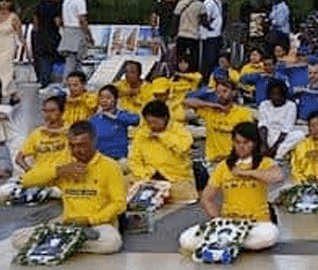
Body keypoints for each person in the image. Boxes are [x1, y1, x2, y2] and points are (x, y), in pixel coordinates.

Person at [12, 121, 127, 255]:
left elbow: (119, 204)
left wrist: (90, 220)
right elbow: (27, 181)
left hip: (98, 226)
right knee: (17, 239)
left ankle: (63, 242)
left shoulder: (110, 166)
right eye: (73, 146)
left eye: (83, 145)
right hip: (68, 224)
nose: (79, 150)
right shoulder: (65, 165)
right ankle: (72, 241)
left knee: (112, 242)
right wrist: (59, 171)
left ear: (94, 141)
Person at [179, 122, 283, 256]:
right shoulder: (224, 166)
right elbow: (207, 198)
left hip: (256, 224)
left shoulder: (265, 163)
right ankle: (229, 241)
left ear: (255, 143)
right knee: (186, 240)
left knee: (269, 235)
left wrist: (248, 173)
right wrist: (218, 220)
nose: (242, 146)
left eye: (246, 142)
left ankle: (228, 243)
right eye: (237, 142)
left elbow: (277, 176)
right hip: (229, 223)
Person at [128, 100, 198, 204]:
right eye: (149, 122)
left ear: (165, 118)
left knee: (189, 197)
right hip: (149, 176)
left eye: (155, 122)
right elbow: (134, 160)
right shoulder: (141, 134)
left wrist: (162, 136)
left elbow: (183, 148)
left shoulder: (180, 130)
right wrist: (145, 175)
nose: (152, 126)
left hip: (176, 178)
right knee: (123, 184)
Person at [255, 79, 304, 160]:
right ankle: (265, 152)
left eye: (278, 94)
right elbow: (263, 126)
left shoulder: (291, 106)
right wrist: (265, 146)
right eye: (273, 94)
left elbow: (286, 129)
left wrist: (274, 148)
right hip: (267, 136)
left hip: (283, 137)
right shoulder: (264, 105)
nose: (276, 97)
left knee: (300, 134)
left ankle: (278, 155)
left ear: (284, 94)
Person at [89, 84, 140, 162]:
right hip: (100, 158)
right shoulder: (94, 119)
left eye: (108, 98)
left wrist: (115, 117)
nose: (104, 101)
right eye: (101, 98)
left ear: (115, 99)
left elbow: (137, 120)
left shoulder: (122, 115)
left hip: (119, 159)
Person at [58, 0, 90, 71]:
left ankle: (73, 79)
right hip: (77, 30)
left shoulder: (67, 0)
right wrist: (87, 34)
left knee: (70, 59)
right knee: (77, 59)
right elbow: (82, 19)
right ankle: (71, 80)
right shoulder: (80, 1)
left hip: (67, 29)